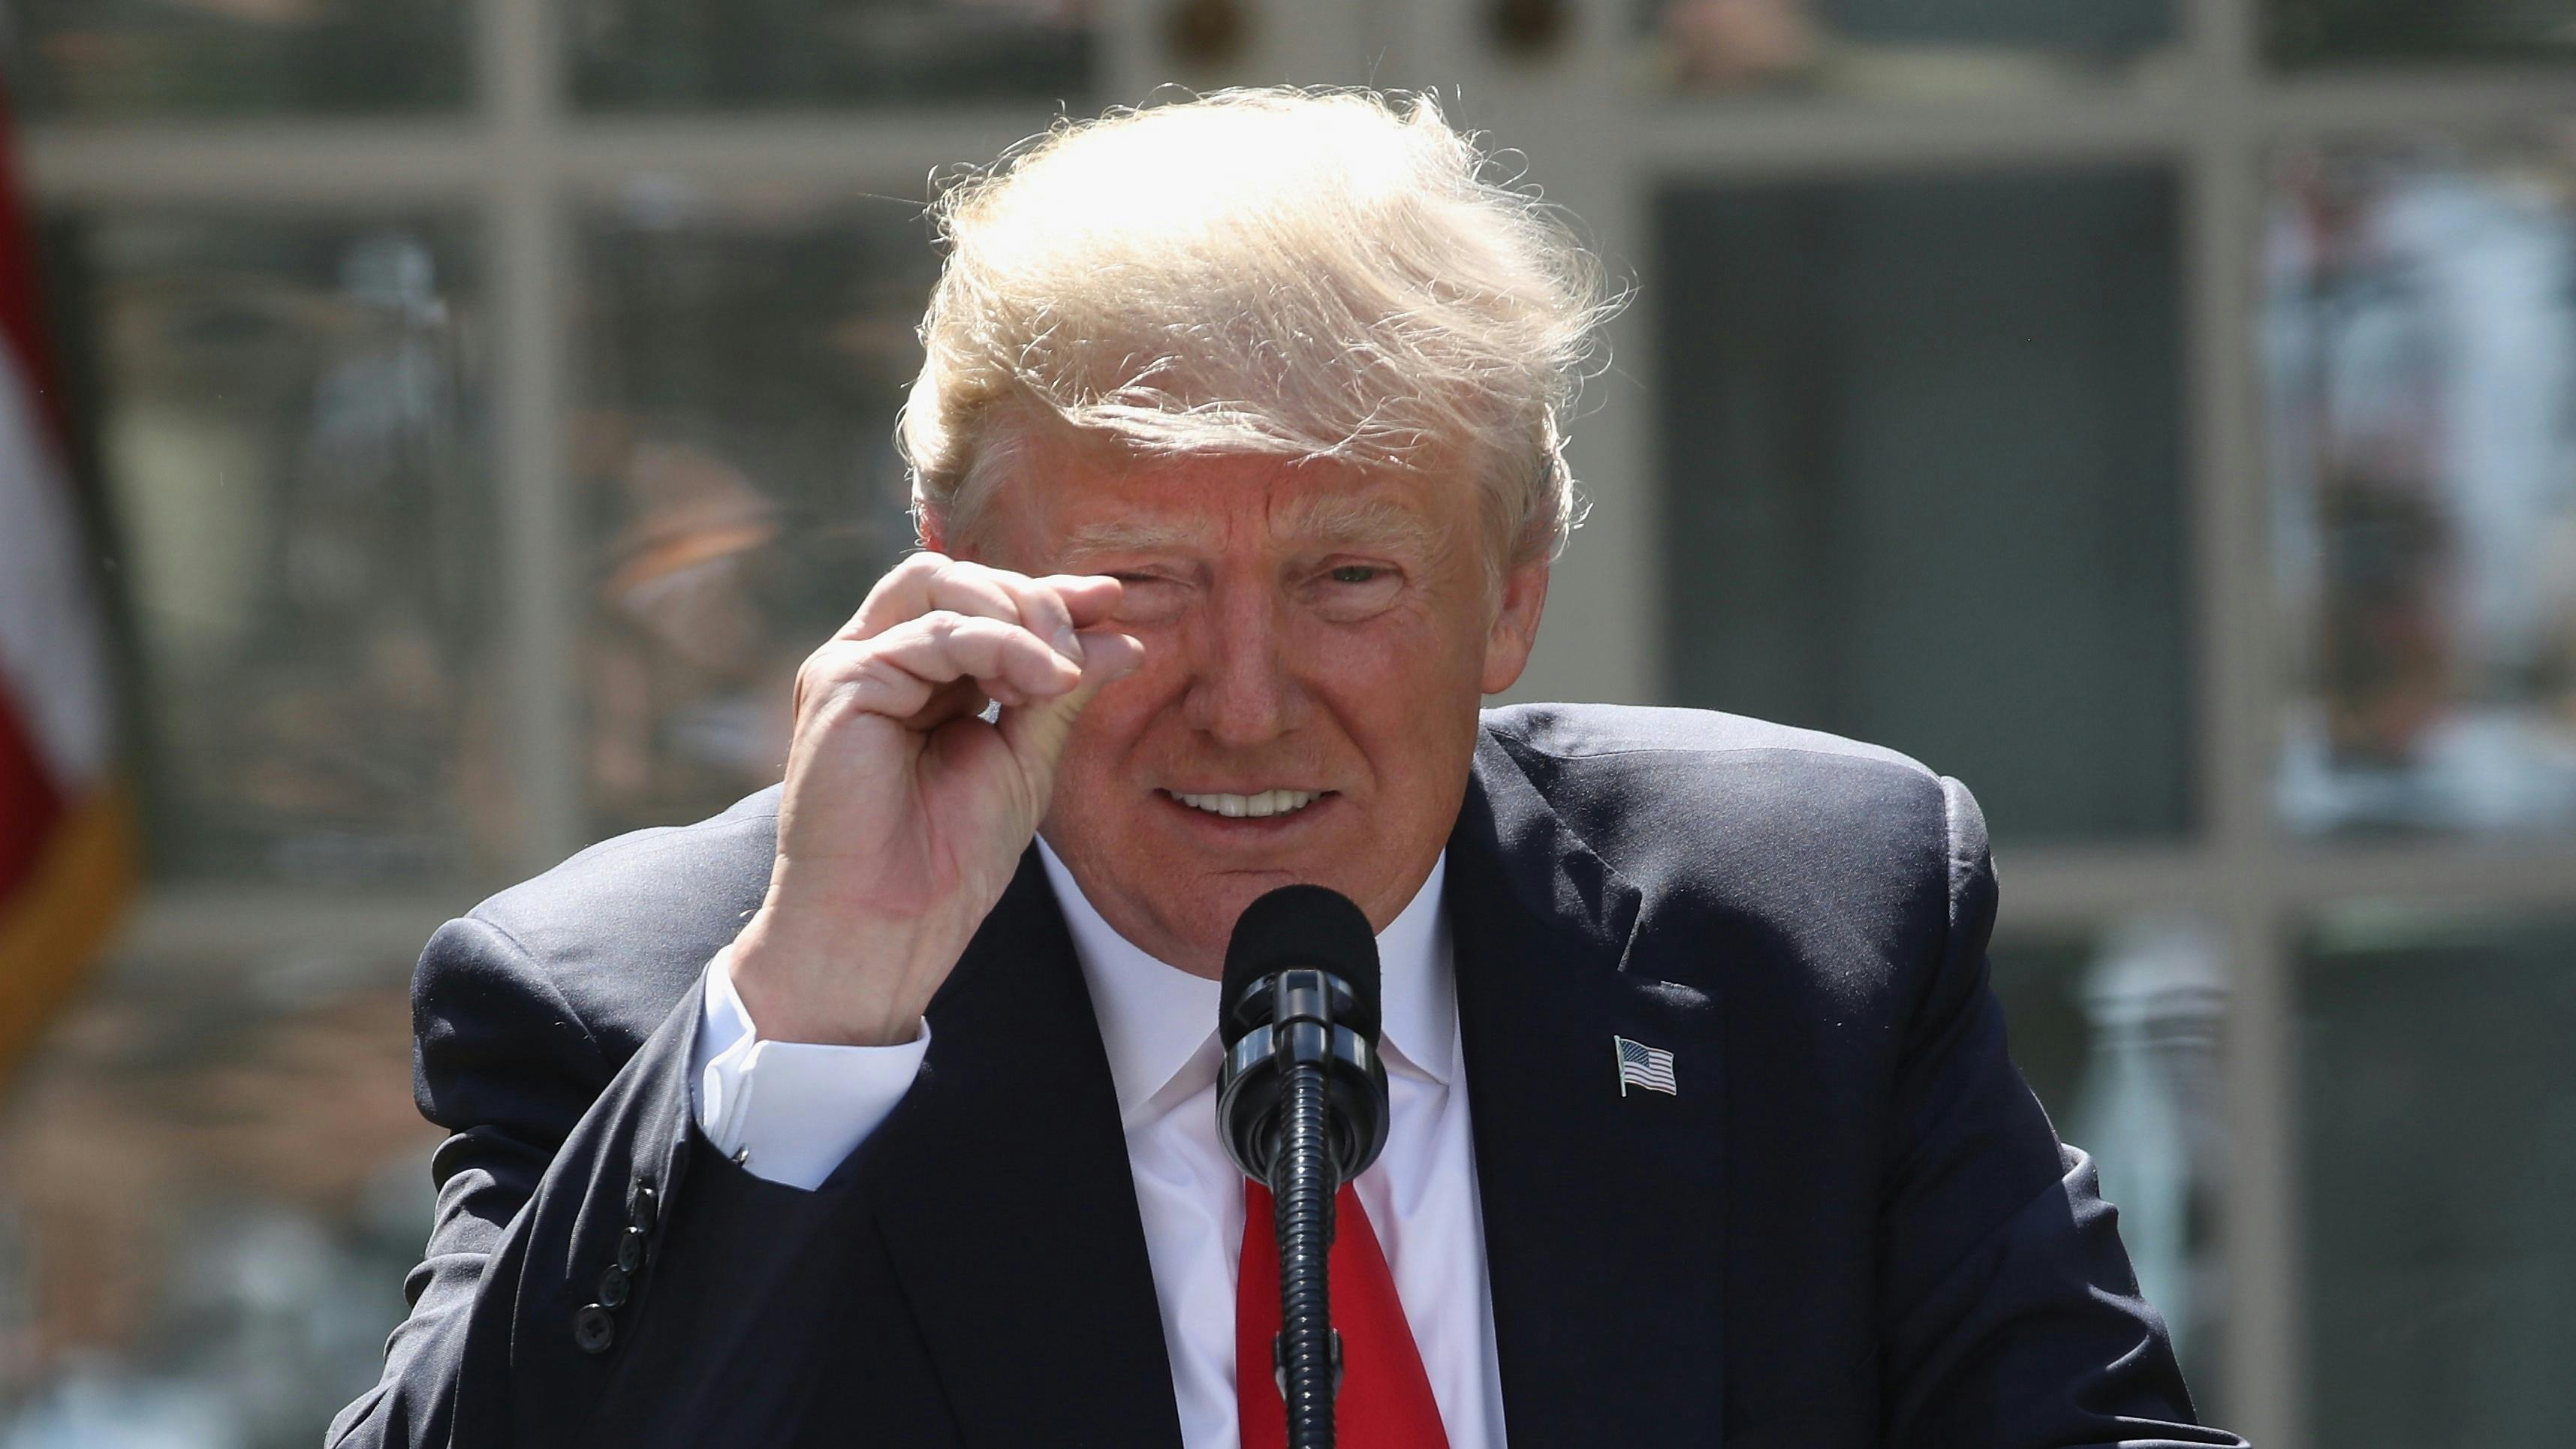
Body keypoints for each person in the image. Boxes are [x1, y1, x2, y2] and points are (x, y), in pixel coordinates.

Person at [330, 88, 2243, 1448]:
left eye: (1349, 579)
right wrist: (821, 1006)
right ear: (953, 567)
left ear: (1511, 601)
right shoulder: (654, 999)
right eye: (1142, 585)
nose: (1246, 701)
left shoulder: (1809, 921)